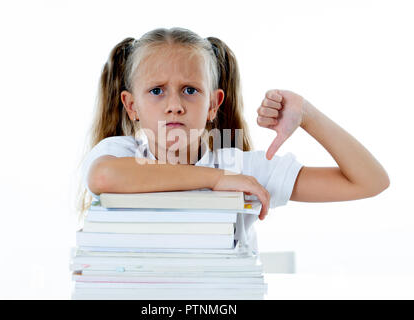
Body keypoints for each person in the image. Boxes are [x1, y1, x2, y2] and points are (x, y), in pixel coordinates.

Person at [77, 27, 389, 252]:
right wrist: (217, 179)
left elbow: (369, 181)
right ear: (132, 106)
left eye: (190, 90)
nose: (175, 104)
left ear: (213, 104)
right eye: (157, 91)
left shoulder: (243, 169)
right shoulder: (120, 153)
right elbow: (104, 175)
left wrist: (308, 114)